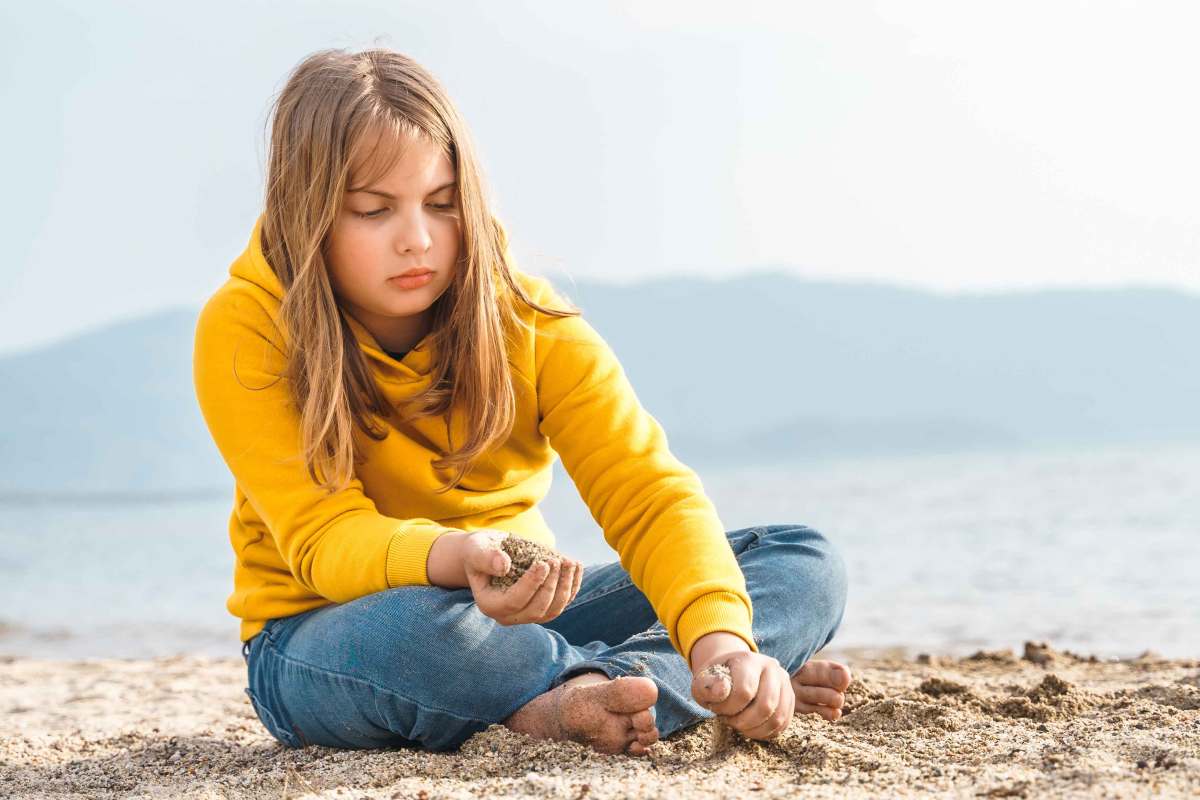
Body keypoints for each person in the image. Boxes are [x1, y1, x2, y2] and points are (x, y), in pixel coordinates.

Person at [193, 47, 851, 757]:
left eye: (441, 204)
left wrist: (721, 641)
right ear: (307, 212)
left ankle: (602, 694)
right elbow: (324, 538)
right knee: (418, 634)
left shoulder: (527, 319)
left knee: (801, 561)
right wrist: (458, 554)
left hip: (523, 622)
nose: (417, 239)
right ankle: (647, 689)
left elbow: (645, 490)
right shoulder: (248, 325)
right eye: (373, 210)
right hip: (325, 637)